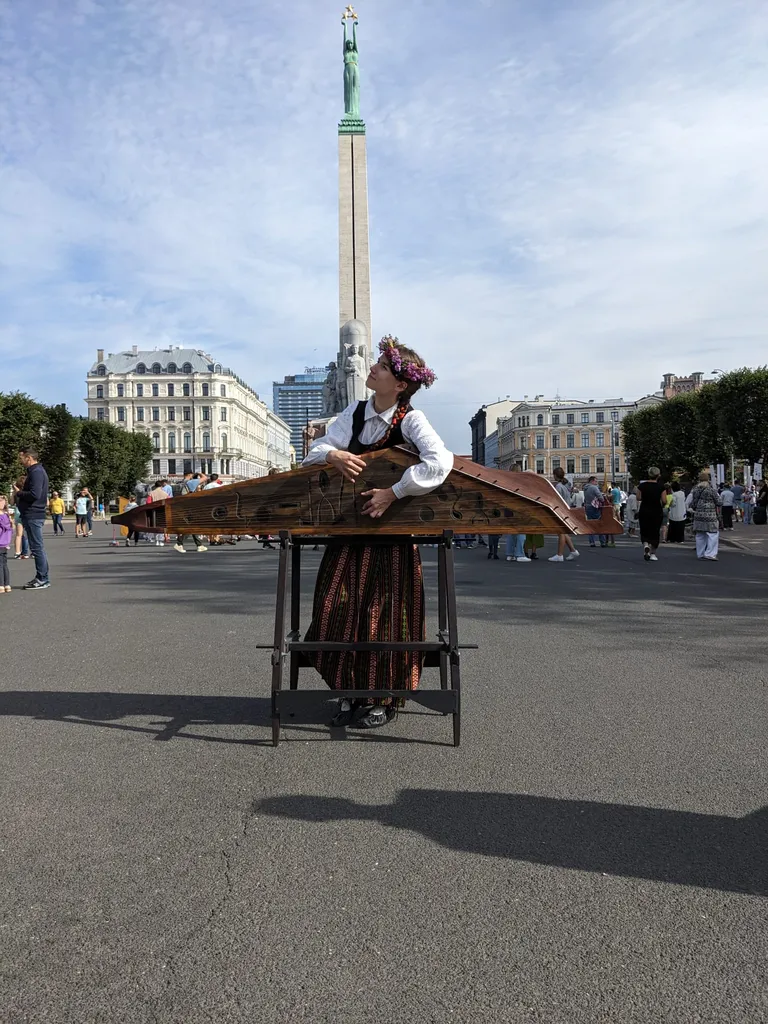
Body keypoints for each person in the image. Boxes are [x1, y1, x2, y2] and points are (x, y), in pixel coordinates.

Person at [302, 334, 451, 730]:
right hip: (347, 537)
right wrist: (332, 454)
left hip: (391, 541)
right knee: (335, 608)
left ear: (400, 385)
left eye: (382, 366)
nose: (372, 368)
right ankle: (351, 690)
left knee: (384, 617)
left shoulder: (411, 420)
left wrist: (394, 491)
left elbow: (440, 462)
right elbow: (313, 452)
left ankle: (381, 696)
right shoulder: (353, 412)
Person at [13, 446, 51, 589]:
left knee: (37, 548)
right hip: (32, 513)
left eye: (21, 458)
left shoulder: (36, 472)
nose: (20, 461)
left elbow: (35, 494)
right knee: (37, 547)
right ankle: (41, 577)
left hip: (33, 514)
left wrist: (19, 493)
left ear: (29, 458)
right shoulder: (36, 472)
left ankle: (42, 578)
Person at [689, 470, 722, 560]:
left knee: (700, 535)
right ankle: (710, 554)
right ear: (708, 480)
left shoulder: (695, 490)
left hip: (698, 515)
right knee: (712, 534)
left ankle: (700, 554)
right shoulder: (711, 490)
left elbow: (693, 504)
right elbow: (719, 502)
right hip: (710, 516)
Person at [548, 467, 579, 562]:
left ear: (555, 476)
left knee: (561, 532)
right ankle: (573, 550)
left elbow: (556, 499)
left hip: (560, 510)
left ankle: (559, 554)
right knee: (563, 532)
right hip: (567, 508)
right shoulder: (567, 485)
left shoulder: (558, 486)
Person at [636, 468, 667, 562]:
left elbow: (638, 498)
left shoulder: (641, 486)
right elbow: (664, 501)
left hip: (644, 510)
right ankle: (653, 553)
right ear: (659, 475)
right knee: (655, 531)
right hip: (656, 510)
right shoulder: (661, 487)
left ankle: (645, 545)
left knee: (644, 529)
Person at [173, 473, 208, 553]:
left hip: (183, 506)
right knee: (190, 526)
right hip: (189, 507)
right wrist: (199, 472)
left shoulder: (182, 483)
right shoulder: (192, 482)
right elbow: (205, 478)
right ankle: (179, 544)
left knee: (191, 525)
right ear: (190, 474)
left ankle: (199, 545)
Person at [583, 476, 607, 548]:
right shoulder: (594, 487)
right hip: (595, 507)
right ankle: (602, 542)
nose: (597, 483)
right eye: (596, 481)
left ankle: (592, 542)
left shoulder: (585, 488)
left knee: (590, 524)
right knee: (599, 524)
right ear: (592, 481)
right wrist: (602, 499)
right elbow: (600, 496)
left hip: (588, 506)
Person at [12, 491, 30, 560]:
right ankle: (28, 552)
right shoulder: (27, 491)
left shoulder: (16, 493)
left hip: (18, 511)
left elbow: (12, 503)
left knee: (18, 534)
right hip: (26, 510)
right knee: (28, 533)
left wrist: (13, 494)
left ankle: (17, 553)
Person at [0, 494, 12, 593]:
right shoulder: (6, 515)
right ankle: (7, 584)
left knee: (0, 564)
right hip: (5, 542)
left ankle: (1, 585)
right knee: (4, 564)